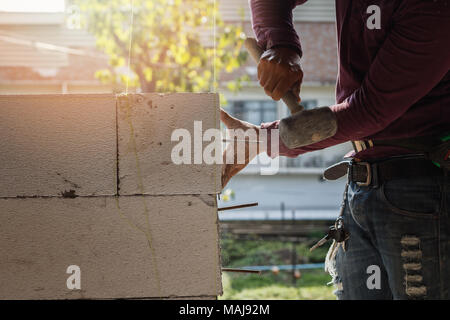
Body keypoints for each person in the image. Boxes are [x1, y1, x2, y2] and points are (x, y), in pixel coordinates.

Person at [220, 0, 450, 299]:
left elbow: (367, 112)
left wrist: (263, 139)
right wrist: (281, 45)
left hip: (421, 187)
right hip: (362, 180)